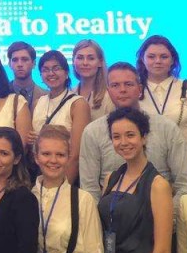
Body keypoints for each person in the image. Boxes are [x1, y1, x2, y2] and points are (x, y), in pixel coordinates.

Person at [97, 106, 178, 253]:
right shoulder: (111, 178)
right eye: (116, 136)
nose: (123, 142)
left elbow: (162, 251)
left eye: (130, 135)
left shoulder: (158, 185)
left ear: (144, 137)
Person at [80, 62, 187, 203]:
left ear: (140, 89)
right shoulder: (93, 132)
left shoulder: (166, 128)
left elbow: (186, 185)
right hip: (111, 218)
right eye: (115, 85)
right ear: (108, 91)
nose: (122, 90)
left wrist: (168, 215)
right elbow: (89, 190)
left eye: (128, 84)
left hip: (162, 215)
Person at [31, 125, 108, 253]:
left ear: (68, 157)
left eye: (60, 154)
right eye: (46, 154)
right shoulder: (26, 197)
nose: (53, 160)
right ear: (36, 157)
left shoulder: (82, 200)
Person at [137, 35, 187, 164]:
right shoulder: (134, 91)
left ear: (172, 60)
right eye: (151, 56)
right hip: (148, 171)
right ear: (142, 60)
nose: (158, 61)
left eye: (164, 56)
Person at [29, 50, 90, 183]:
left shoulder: (77, 104)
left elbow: (75, 154)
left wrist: (62, 187)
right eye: (45, 70)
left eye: (56, 68)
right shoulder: (37, 102)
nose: (51, 73)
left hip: (65, 173)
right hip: (39, 173)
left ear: (66, 73)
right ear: (40, 74)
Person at [72, 40, 114, 122]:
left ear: (100, 62)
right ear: (73, 61)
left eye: (91, 58)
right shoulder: (70, 93)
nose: (85, 63)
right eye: (80, 58)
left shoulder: (110, 95)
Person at [7, 41, 48, 106]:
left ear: (34, 63)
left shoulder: (46, 96)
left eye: (24, 59)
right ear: (9, 64)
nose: (19, 64)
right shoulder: (0, 94)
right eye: (15, 60)